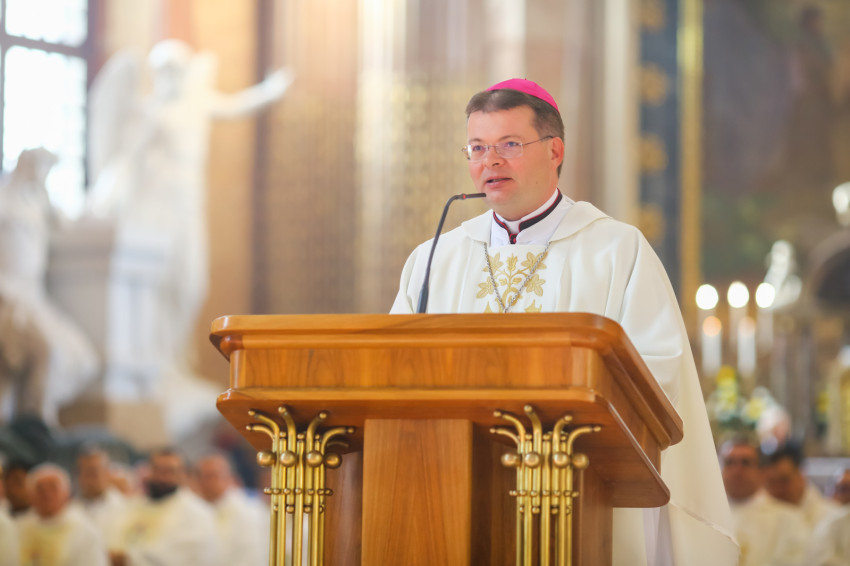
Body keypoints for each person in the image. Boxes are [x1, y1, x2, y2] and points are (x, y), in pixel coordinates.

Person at [391, 79, 738, 565]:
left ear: (555, 151)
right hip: (452, 486)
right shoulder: (435, 258)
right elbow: (393, 369)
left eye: (509, 145)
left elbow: (656, 373)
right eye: (477, 147)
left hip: (580, 485)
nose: (490, 162)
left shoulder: (616, 250)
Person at [0, 147, 97, 423]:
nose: (42, 176)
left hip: (33, 296)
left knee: (78, 357)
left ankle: (36, 422)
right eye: (41, 168)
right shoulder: (4, 199)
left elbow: (67, 225)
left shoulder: (39, 203)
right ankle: (34, 421)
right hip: (9, 295)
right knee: (40, 353)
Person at [107, 447, 217, 566]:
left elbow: (180, 556)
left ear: (183, 475)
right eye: (156, 469)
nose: (161, 477)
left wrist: (127, 559)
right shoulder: (134, 505)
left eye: (169, 471)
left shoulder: (197, 513)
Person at [719, 436, 808, 566]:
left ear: (762, 472)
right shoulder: (706, 517)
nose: (737, 471)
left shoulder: (789, 519)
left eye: (745, 463)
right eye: (729, 462)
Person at [16, 463, 108, 566]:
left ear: (66, 493)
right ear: (30, 495)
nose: (46, 493)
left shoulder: (85, 532)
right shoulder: (19, 527)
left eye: (53, 487)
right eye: (40, 489)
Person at [193, 452, 267, 566]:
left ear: (229, 478)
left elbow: (250, 557)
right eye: (200, 476)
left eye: (211, 476)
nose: (205, 482)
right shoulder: (200, 508)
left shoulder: (247, 511)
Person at [762, 443, 839, 531]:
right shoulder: (760, 516)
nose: (778, 489)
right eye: (772, 483)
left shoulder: (831, 517)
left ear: (801, 476)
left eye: (784, 480)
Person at [70, 446, 129, 542]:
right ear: (78, 475)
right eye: (88, 472)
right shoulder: (69, 509)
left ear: (107, 472)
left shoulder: (125, 507)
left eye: (96, 472)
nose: (93, 479)